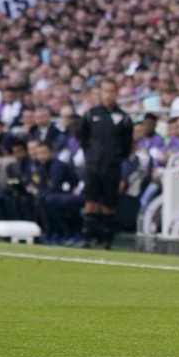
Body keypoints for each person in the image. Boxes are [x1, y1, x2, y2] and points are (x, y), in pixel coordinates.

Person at [78, 79, 133, 249]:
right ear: (100, 93)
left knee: (109, 205)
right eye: (105, 91)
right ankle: (88, 239)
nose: (108, 95)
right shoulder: (90, 114)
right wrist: (92, 156)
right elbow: (84, 139)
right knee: (91, 202)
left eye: (111, 91)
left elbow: (127, 145)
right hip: (93, 166)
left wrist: (116, 158)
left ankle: (107, 240)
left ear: (116, 94)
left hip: (112, 167)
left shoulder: (123, 118)